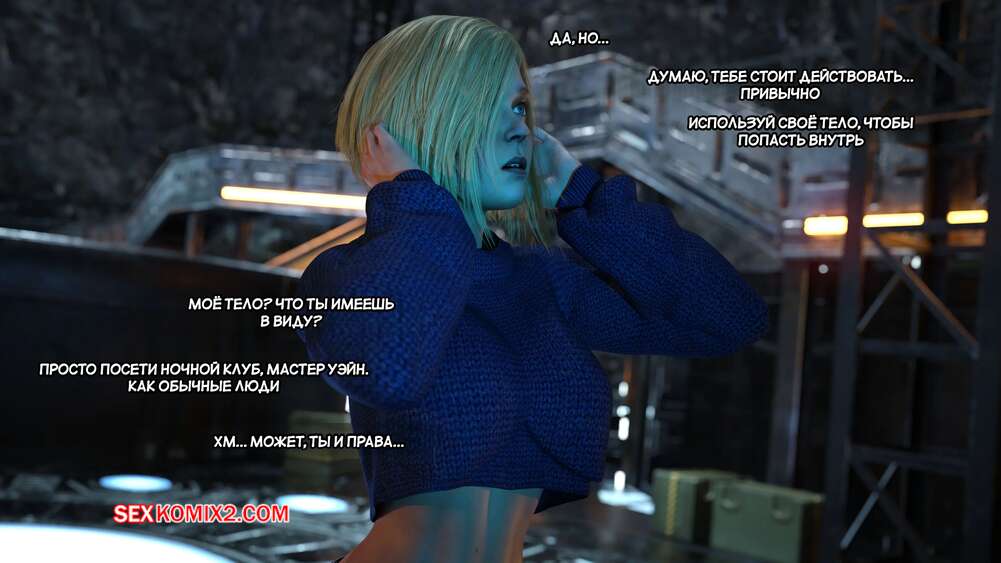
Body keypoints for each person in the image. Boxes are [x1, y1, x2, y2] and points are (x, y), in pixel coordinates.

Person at [295, 15, 768, 563]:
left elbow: (728, 319)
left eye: (518, 106)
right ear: (411, 123)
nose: (519, 128)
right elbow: (389, 370)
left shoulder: (541, 280)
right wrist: (411, 197)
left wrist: (583, 197)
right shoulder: (341, 274)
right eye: (484, 107)